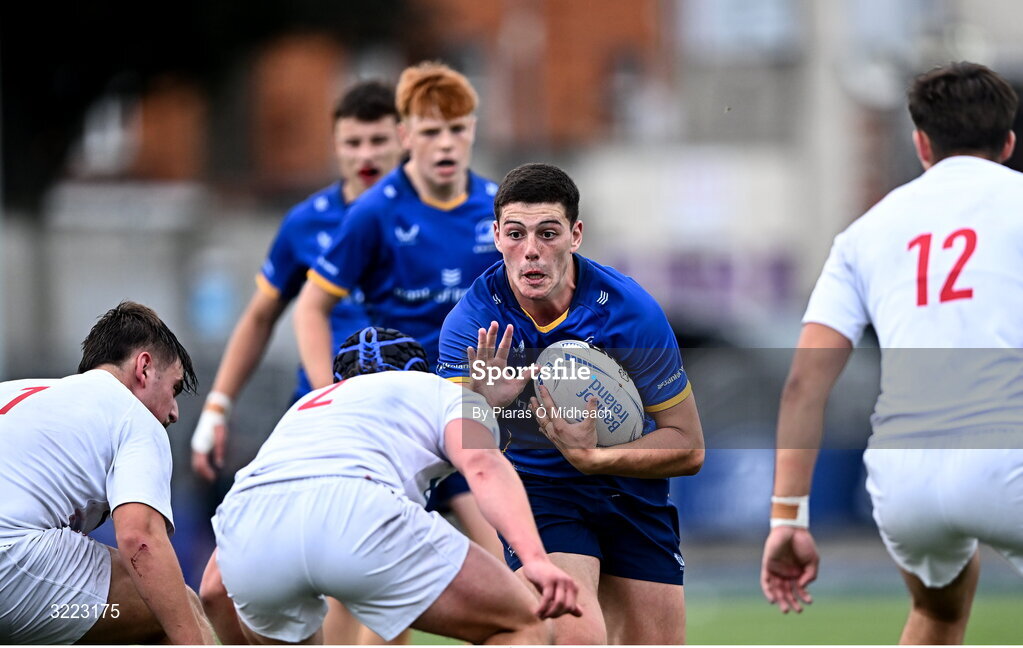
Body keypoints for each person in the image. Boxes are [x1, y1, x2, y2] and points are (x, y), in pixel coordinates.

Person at [760, 61, 1023, 645]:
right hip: (1009, 458)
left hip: (905, 476)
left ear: (921, 143)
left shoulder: (864, 233)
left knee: (938, 615)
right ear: (1008, 142)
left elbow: (805, 384)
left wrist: (787, 519)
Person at [437, 163, 706, 644]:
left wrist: (594, 457)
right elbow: (457, 447)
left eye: (548, 233)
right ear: (496, 236)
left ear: (576, 235)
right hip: (543, 493)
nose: (532, 251)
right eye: (516, 234)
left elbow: (689, 446)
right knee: (576, 638)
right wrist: (484, 404)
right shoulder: (472, 324)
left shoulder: (630, 313)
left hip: (633, 493)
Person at [210, 327, 582, 645]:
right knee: (525, 622)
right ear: (421, 370)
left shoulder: (306, 408)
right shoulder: (443, 391)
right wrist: (534, 559)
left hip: (249, 529)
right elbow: (482, 464)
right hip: (359, 508)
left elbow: (212, 590)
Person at [294, 59, 505, 584]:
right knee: (376, 580)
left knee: (508, 565)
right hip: (398, 416)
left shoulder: (498, 206)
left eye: (457, 129)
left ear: (473, 130)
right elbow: (310, 306)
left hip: (471, 408)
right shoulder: (374, 212)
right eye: (431, 131)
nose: (446, 144)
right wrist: (328, 398)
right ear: (406, 135)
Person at [190, 79, 402, 482]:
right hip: (323, 412)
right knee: (259, 522)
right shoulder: (307, 222)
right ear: (335, 145)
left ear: (404, 139)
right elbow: (258, 318)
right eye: (352, 142)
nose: (366, 155)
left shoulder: (447, 217)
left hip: (413, 413)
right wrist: (217, 406)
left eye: (379, 140)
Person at [0, 301, 213, 644]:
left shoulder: (18, 391)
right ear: (144, 368)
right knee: (171, 605)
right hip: (10, 568)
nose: (174, 412)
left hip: (18, 578)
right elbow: (139, 540)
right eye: (174, 389)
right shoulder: (132, 415)